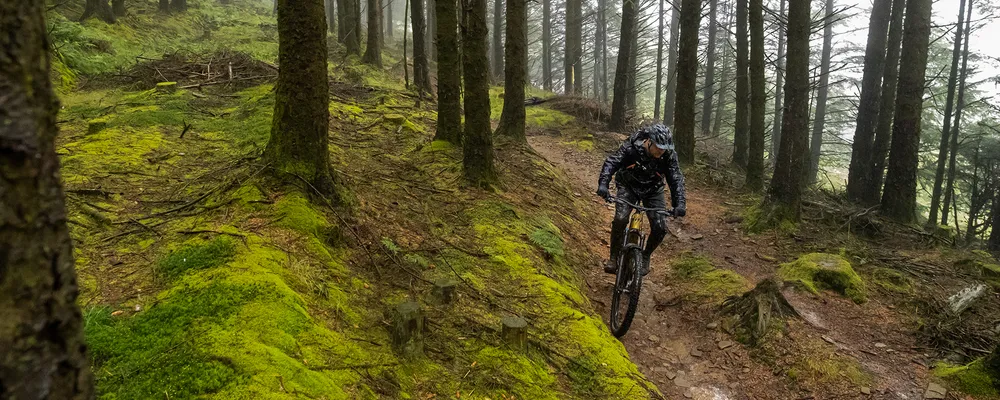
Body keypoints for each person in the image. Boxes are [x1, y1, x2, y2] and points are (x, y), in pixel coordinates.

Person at [596, 124, 687, 276]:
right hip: (628, 185)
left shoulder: (669, 155)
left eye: (664, 148)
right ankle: (613, 257)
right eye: (658, 147)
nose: (661, 151)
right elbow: (612, 162)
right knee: (620, 219)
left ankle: (645, 256)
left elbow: (676, 178)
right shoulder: (631, 147)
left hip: (653, 190)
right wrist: (603, 184)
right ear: (649, 141)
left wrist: (680, 203)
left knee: (660, 227)